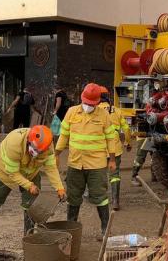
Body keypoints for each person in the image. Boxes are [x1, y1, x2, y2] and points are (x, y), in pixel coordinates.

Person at [0, 125, 65, 250]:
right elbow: (12, 173)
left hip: (30, 173)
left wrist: (59, 187)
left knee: (31, 205)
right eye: (34, 149)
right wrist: (29, 185)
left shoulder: (48, 148)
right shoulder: (14, 142)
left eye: (39, 151)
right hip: (4, 172)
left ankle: (28, 241)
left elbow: (51, 168)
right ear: (28, 140)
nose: (36, 153)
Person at [55, 83, 119, 241]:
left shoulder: (104, 115)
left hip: (96, 165)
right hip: (75, 163)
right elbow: (63, 135)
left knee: (100, 196)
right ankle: (71, 230)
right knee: (73, 196)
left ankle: (105, 229)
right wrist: (56, 154)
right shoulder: (71, 112)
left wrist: (112, 159)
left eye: (91, 104)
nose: (88, 106)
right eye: (86, 103)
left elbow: (111, 138)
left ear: (97, 102)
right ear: (81, 98)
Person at [98, 86, 131, 210]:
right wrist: (128, 142)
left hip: (98, 147)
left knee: (98, 172)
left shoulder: (94, 111)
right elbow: (126, 129)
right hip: (115, 146)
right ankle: (115, 201)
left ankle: (98, 198)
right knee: (115, 174)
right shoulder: (116, 110)